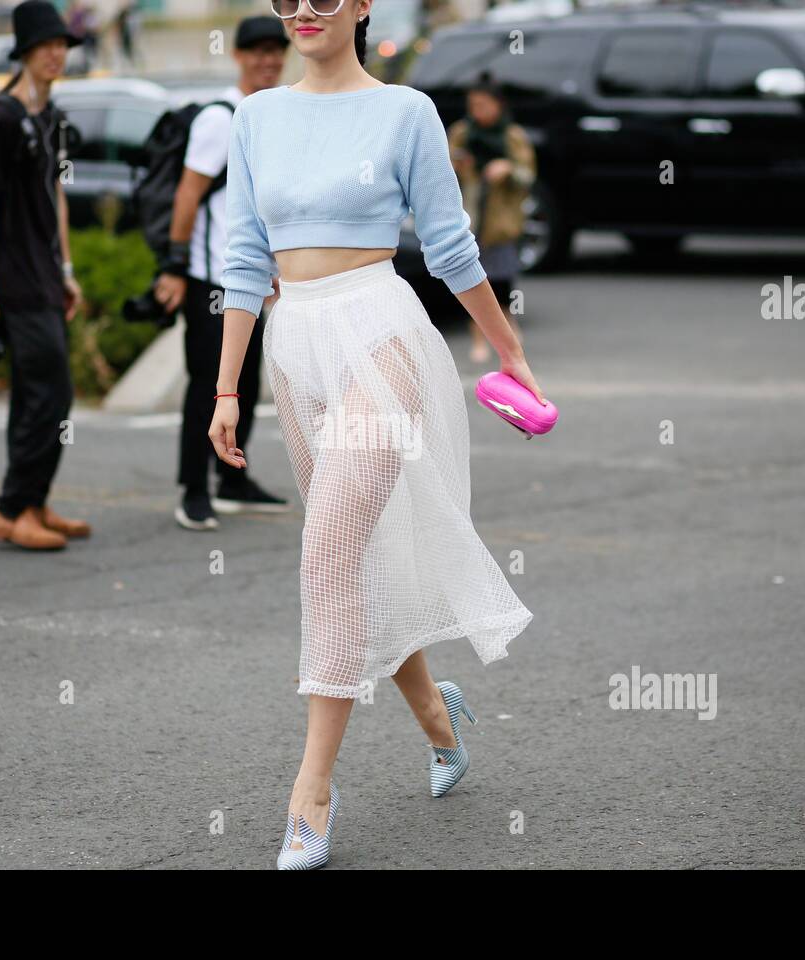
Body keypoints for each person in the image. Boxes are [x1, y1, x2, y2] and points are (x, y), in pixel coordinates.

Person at [210, 0, 544, 870]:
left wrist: (509, 350)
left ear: (363, 5)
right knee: (353, 557)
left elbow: (449, 245)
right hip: (296, 344)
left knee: (325, 552)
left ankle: (310, 793)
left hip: (382, 334)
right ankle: (441, 722)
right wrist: (225, 389)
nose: (306, 9)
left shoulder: (406, 112)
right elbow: (244, 256)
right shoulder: (257, 115)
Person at [156, 15, 292, 531]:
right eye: (256, 51)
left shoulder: (275, 112)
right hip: (212, 281)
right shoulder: (220, 118)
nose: (268, 60)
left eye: (275, 51)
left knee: (247, 384)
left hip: (255, 282)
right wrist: (173, 266)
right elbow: (188, 195)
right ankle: (193, 490)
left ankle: (232, 480)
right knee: (208, 388)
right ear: (237, 56)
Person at [0, 0, 90, 551]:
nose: (57, 53)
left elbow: (56, 195)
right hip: (11, 279)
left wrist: (66, 269)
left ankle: (34, 502)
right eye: (47, 46)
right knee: (48, 392)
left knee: (43, 395)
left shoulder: (51, 117)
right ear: (25, 53)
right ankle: (9, 509)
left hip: (44, 274)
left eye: (62, 45)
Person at [448, 75, 535, 364]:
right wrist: (460, 165)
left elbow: (528, 176)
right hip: (471, 218)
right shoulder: (461, 132)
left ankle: (507, 331)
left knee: (502, 283)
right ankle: (479, 339)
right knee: (473, 281)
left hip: (501, 223)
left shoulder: (512, 136)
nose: (478, 110)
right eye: (474, 105)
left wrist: (507, 169)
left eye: (484, 104)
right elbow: (442, 168)